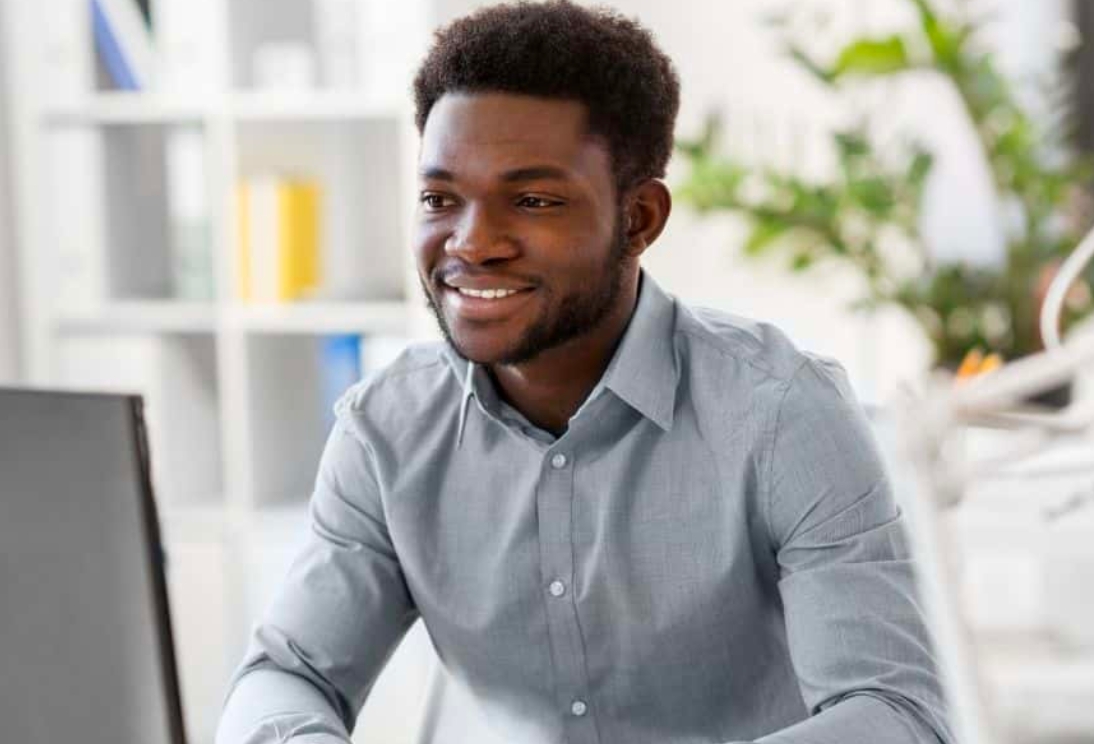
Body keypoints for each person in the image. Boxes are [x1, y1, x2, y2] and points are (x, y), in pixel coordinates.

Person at [216, 2, 952, 743]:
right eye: (440, 199)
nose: (471, 245)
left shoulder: (783, 414)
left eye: (533, 200)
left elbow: (896, 714)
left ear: (639, 220)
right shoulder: (387, 430)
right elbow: (288, 676)